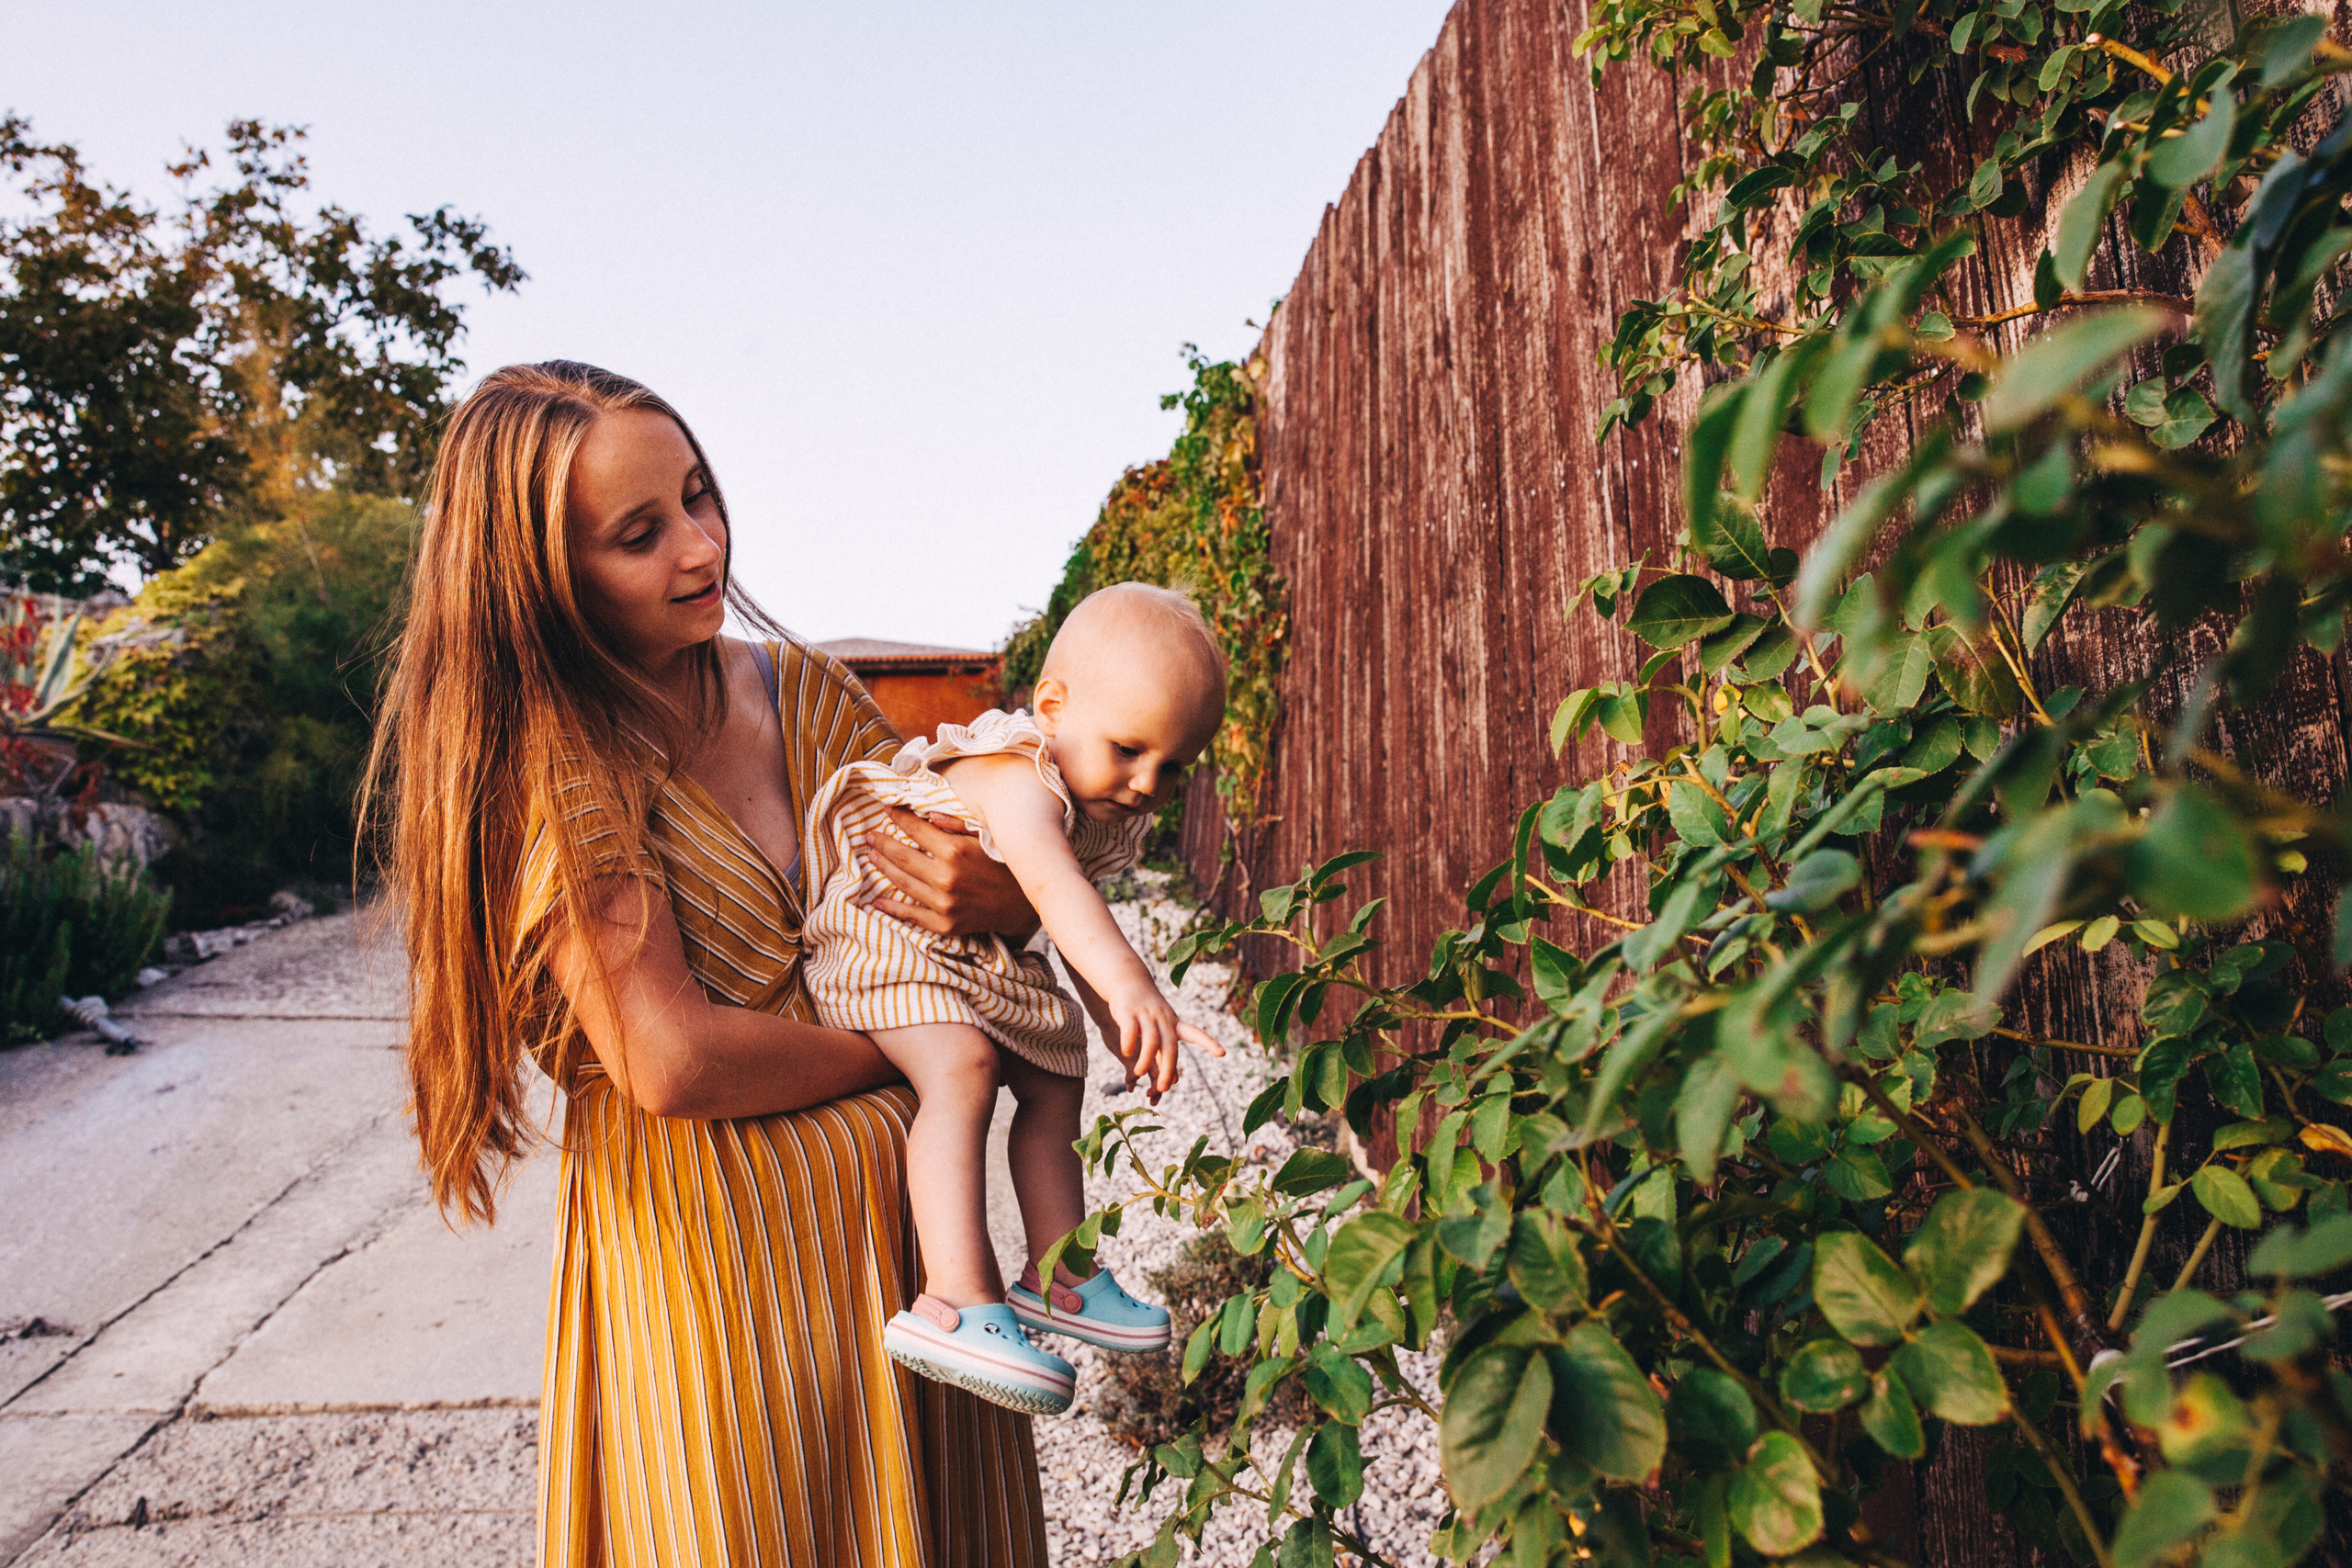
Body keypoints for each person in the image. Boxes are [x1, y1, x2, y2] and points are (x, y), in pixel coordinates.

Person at [365, 360, 1049, 1565]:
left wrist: (1000, 890)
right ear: (544, 577)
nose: (702, 546)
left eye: (698, 495)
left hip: (911, 1258)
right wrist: (919, 1049)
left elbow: (955, 915)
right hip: (716, 1275)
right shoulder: (561, 759)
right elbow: (672, 1059)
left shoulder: (810, 696)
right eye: (641, 533)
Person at [799, 584, 1227, 1414]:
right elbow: (1053, 890)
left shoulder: (1096, 793)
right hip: (883, 931)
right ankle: (954, 1299)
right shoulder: (1020, 769)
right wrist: (1136, 986)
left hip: (966, 949)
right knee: (964, 1067)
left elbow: (1068, 937)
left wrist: (1124, 1026)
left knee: (1056, 1069)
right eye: (1130, 747)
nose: (1146, 782)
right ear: (1053, 705)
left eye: (1173, 766)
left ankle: (1059, 1273)